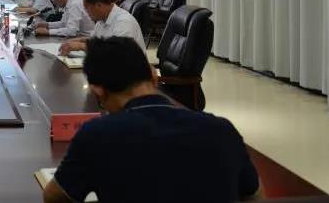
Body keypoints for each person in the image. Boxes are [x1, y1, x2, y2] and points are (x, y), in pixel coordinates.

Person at [43, 36, 260, 203]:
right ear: (153, 75)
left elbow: (55, 197)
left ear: (97, 90)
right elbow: (254, 195)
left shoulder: (96, 135)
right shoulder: (222, 129)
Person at [59, 0, 145, 55]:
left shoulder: (124, 22)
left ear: (98, 5)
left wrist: (81, 46)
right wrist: (79, 40)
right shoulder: (101, 20)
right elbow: (95, 41)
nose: (85, 11)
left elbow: (117, 52)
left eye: (86, 8)